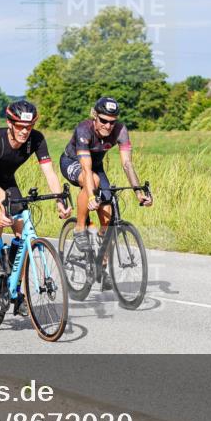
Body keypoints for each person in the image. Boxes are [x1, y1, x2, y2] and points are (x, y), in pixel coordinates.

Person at [0, 101, 71, 295]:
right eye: (20, 126)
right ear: (10, 123)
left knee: (23, 233)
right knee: (2, 202)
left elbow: (49, 173)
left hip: (5, 179)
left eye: (29, 127)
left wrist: (59, 201)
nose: (24, 131)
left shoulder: (36, 139)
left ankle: (17, 291)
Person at [59, 97, 152, 289]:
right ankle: (79, 229)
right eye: (103, 120)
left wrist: (138, 192)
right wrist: (91, 196)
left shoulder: (121, 130)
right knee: (92, 181)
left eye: (112, 122)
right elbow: (86, 169)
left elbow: (127, 164)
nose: (108, 126)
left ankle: (101, 266)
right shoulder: (84, 129)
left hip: (96, 166)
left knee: (107, 217)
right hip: (73, 162)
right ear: (95, 116)